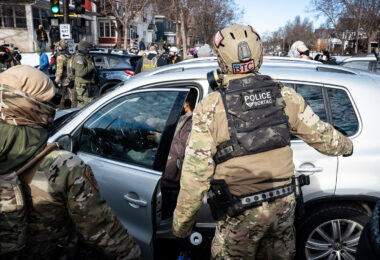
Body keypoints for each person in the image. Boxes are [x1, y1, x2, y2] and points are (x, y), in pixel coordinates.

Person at [172, 24, 353, 259]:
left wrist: (181, 225)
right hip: (283, 209)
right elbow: (328, 140)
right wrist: (348, 147)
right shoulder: (284, 95)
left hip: (240, 213)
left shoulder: (211, 107)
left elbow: (195, 175)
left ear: (221, 62)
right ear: (259, 55)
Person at [0, 65, 141, 259]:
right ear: (34, 105)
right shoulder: (64, 165)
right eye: (51, 100)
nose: (56, 106)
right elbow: (102, 229)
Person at [159, 90, 197, 219]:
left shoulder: (191, 122)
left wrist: (162, 139)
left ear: (186, 104)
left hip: (173, 179)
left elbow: (182, 149)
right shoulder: (183, 119)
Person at [67, 41, 97, 108]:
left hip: (85, 83)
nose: (89, 50)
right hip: (81, 84)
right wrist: (91, 67)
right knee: (83, 104)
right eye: (88, 48)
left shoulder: (83, 57)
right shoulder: (79, 58)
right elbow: (81, 73)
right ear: (83, 48)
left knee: (82, 102)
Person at [54, 40, 72, 109]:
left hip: (63, 81)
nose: (56, 48)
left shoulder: (60, 57)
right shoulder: (69, 55)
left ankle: (61, 112)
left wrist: (57, 80)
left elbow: (59, 71)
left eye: (57, 46)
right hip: (70, 79)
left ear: (61, 47)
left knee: (61, 98)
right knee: (72, 97)